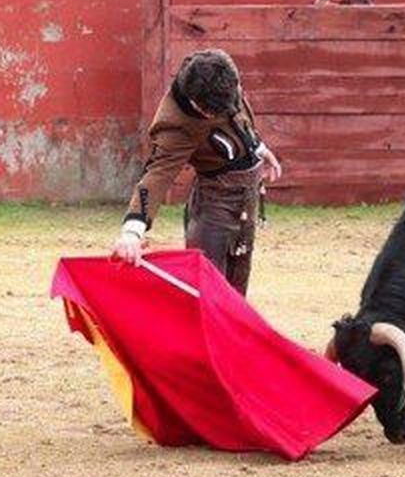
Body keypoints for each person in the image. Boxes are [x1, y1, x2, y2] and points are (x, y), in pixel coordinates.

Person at [112, 50, 283, 295]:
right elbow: (156, 174)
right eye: (209, 113)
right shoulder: (176, 125)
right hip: (216, 203)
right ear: (194, 102)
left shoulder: (222, 76)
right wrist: (132, 230)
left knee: (236, 287)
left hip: (247, 197)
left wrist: (257, 148)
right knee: (208, 287)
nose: (218, 114)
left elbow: (238, 117)